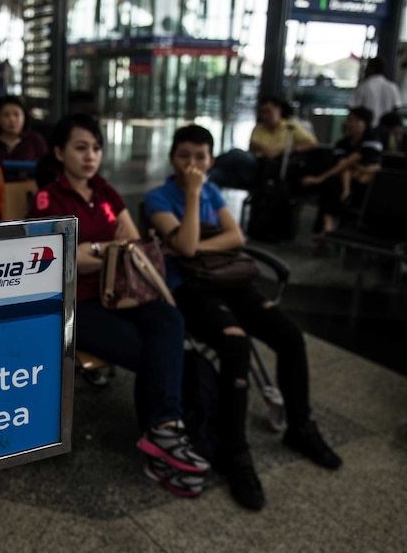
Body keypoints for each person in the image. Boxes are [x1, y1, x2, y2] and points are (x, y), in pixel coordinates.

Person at [144, 124, 342, 511]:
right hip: (188, 289)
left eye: (201, 157)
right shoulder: (159, 197)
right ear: (172, 158)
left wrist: (196, 244)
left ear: (211, 160)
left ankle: (300, 426)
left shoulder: (213, 190)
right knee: (235, 343)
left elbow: (235, 239)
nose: (192, 164)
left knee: (289, 334)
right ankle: (234, 452)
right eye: (184, 156)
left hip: (227, 279)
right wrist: (193, 195)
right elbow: (183, 248)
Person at [29, 113, 210, 497]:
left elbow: (135, 243)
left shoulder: (106, 191)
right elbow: (57, 256)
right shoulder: (49, 197)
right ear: (60, 153)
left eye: (95, 148)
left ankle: (162, 432)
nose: (90, 155)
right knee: (155, 354)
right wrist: (105, 248)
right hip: (79, 300)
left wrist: (96, 250)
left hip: (123, 290)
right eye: (80, 147)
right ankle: (163, 437)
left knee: (169, 317)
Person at [301, 107, 383, 235]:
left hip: (367, 187)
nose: (350, 124)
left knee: (330, 186)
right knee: (332, 186)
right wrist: (345, 189)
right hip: (343, 183)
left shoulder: (373, 142)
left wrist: (320, 178)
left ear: (365, 123)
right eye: (349, 120)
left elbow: (349, 162)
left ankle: (327, 229)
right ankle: (328, 229)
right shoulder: (342, 143)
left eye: (355, 120)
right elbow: (343, 167)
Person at [0, 95, 48, 166]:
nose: (12, 119)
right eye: (6, 115)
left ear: (24, 117)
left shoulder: (35, 140)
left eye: (16, 114)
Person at [348, 57, 402, 128]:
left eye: (367, 68)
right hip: (386, 129)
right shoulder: (392, 87)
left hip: (368, 128)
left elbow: (353, 107)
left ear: (371, 69)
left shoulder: (363, 87)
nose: (365, 71)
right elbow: (396, 108)